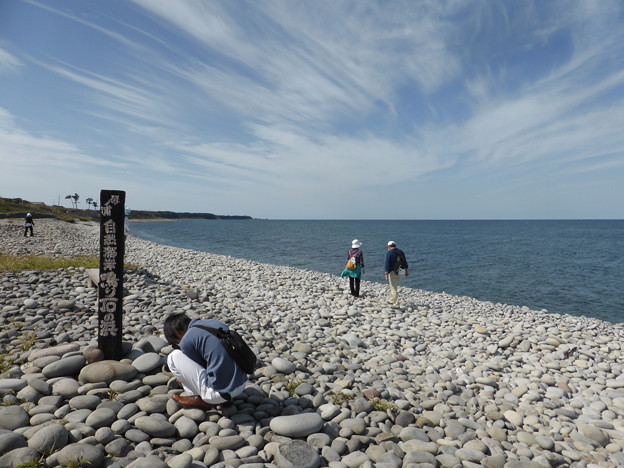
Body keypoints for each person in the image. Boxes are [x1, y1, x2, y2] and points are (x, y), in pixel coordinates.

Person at [163, 312, 248, 409]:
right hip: (241, 384)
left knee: (173, 356)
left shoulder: (187, 339)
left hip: (220, 394)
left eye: (175, 343)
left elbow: (201, 367)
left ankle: (197, 397)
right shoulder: (213, 323)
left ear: (177, 333)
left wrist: (183, 377)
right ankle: (224, 396)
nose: (179, 345)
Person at [385, 241, 408, 307]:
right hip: (400, 271)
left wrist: (386, 273)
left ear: (389, 246)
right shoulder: (400, 251)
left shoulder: (389, 253)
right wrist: (406, 270)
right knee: (394, 285)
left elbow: (387, 264)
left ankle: (396, 303)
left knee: (393, 287)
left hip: (392, 271)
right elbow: (405, 261)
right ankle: (391, 300)